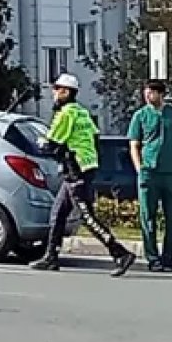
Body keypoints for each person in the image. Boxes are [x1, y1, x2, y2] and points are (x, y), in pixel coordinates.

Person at [30, 73, 137, 276]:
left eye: (58, 89)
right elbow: (95, 138)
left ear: (67, 92)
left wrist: (40, 143)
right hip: (85, 167)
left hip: (75, 170)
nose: (54, 93)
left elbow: (51, 144)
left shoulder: (66, 113)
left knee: (87, 217)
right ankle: (51, 256)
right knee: (58, 214)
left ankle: (120, 253)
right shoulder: (82, 112)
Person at [127, 79, 172, 272]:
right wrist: (140, 168)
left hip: (171, 172)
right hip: (149, 172)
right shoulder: (140, 115)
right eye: (146, 92)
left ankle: (169, 257)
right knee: (148, 216)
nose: (148, 95)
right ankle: (152, 258)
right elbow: (134, 144)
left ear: (161, 94)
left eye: (152, 92)